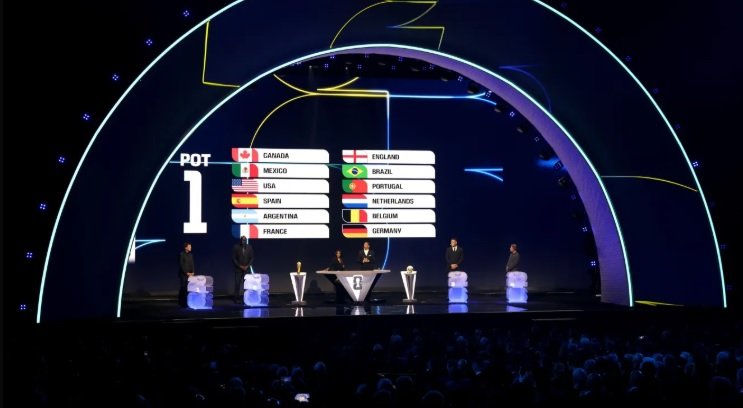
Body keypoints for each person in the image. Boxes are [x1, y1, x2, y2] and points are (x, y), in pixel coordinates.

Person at [232, 235, 254, 304]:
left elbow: (251, 258)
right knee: (237, 284)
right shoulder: (236, 247)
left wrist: (247, 266)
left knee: (246, 285)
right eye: (242, 240)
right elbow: (234, 258)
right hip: (238, 269)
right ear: (240, 240)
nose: (243, 241)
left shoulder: (249, 247)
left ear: (246, 241)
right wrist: (240, 266)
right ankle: (236, 299)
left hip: (246, 269)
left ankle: (246, 299)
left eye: (244, 240)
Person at [178, 242, 195, 307]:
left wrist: (193, 272)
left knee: (188, 289)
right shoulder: (181, 254)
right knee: (183, 288)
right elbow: (181, 265)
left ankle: (187, 302)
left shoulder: (191, 255)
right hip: (183, 275)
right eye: (189, 246)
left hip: (190, 275)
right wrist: (186, 273)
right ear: (186, 247)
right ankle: (181, 303)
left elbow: (192, 264)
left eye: (191, 246)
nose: (190, 247)